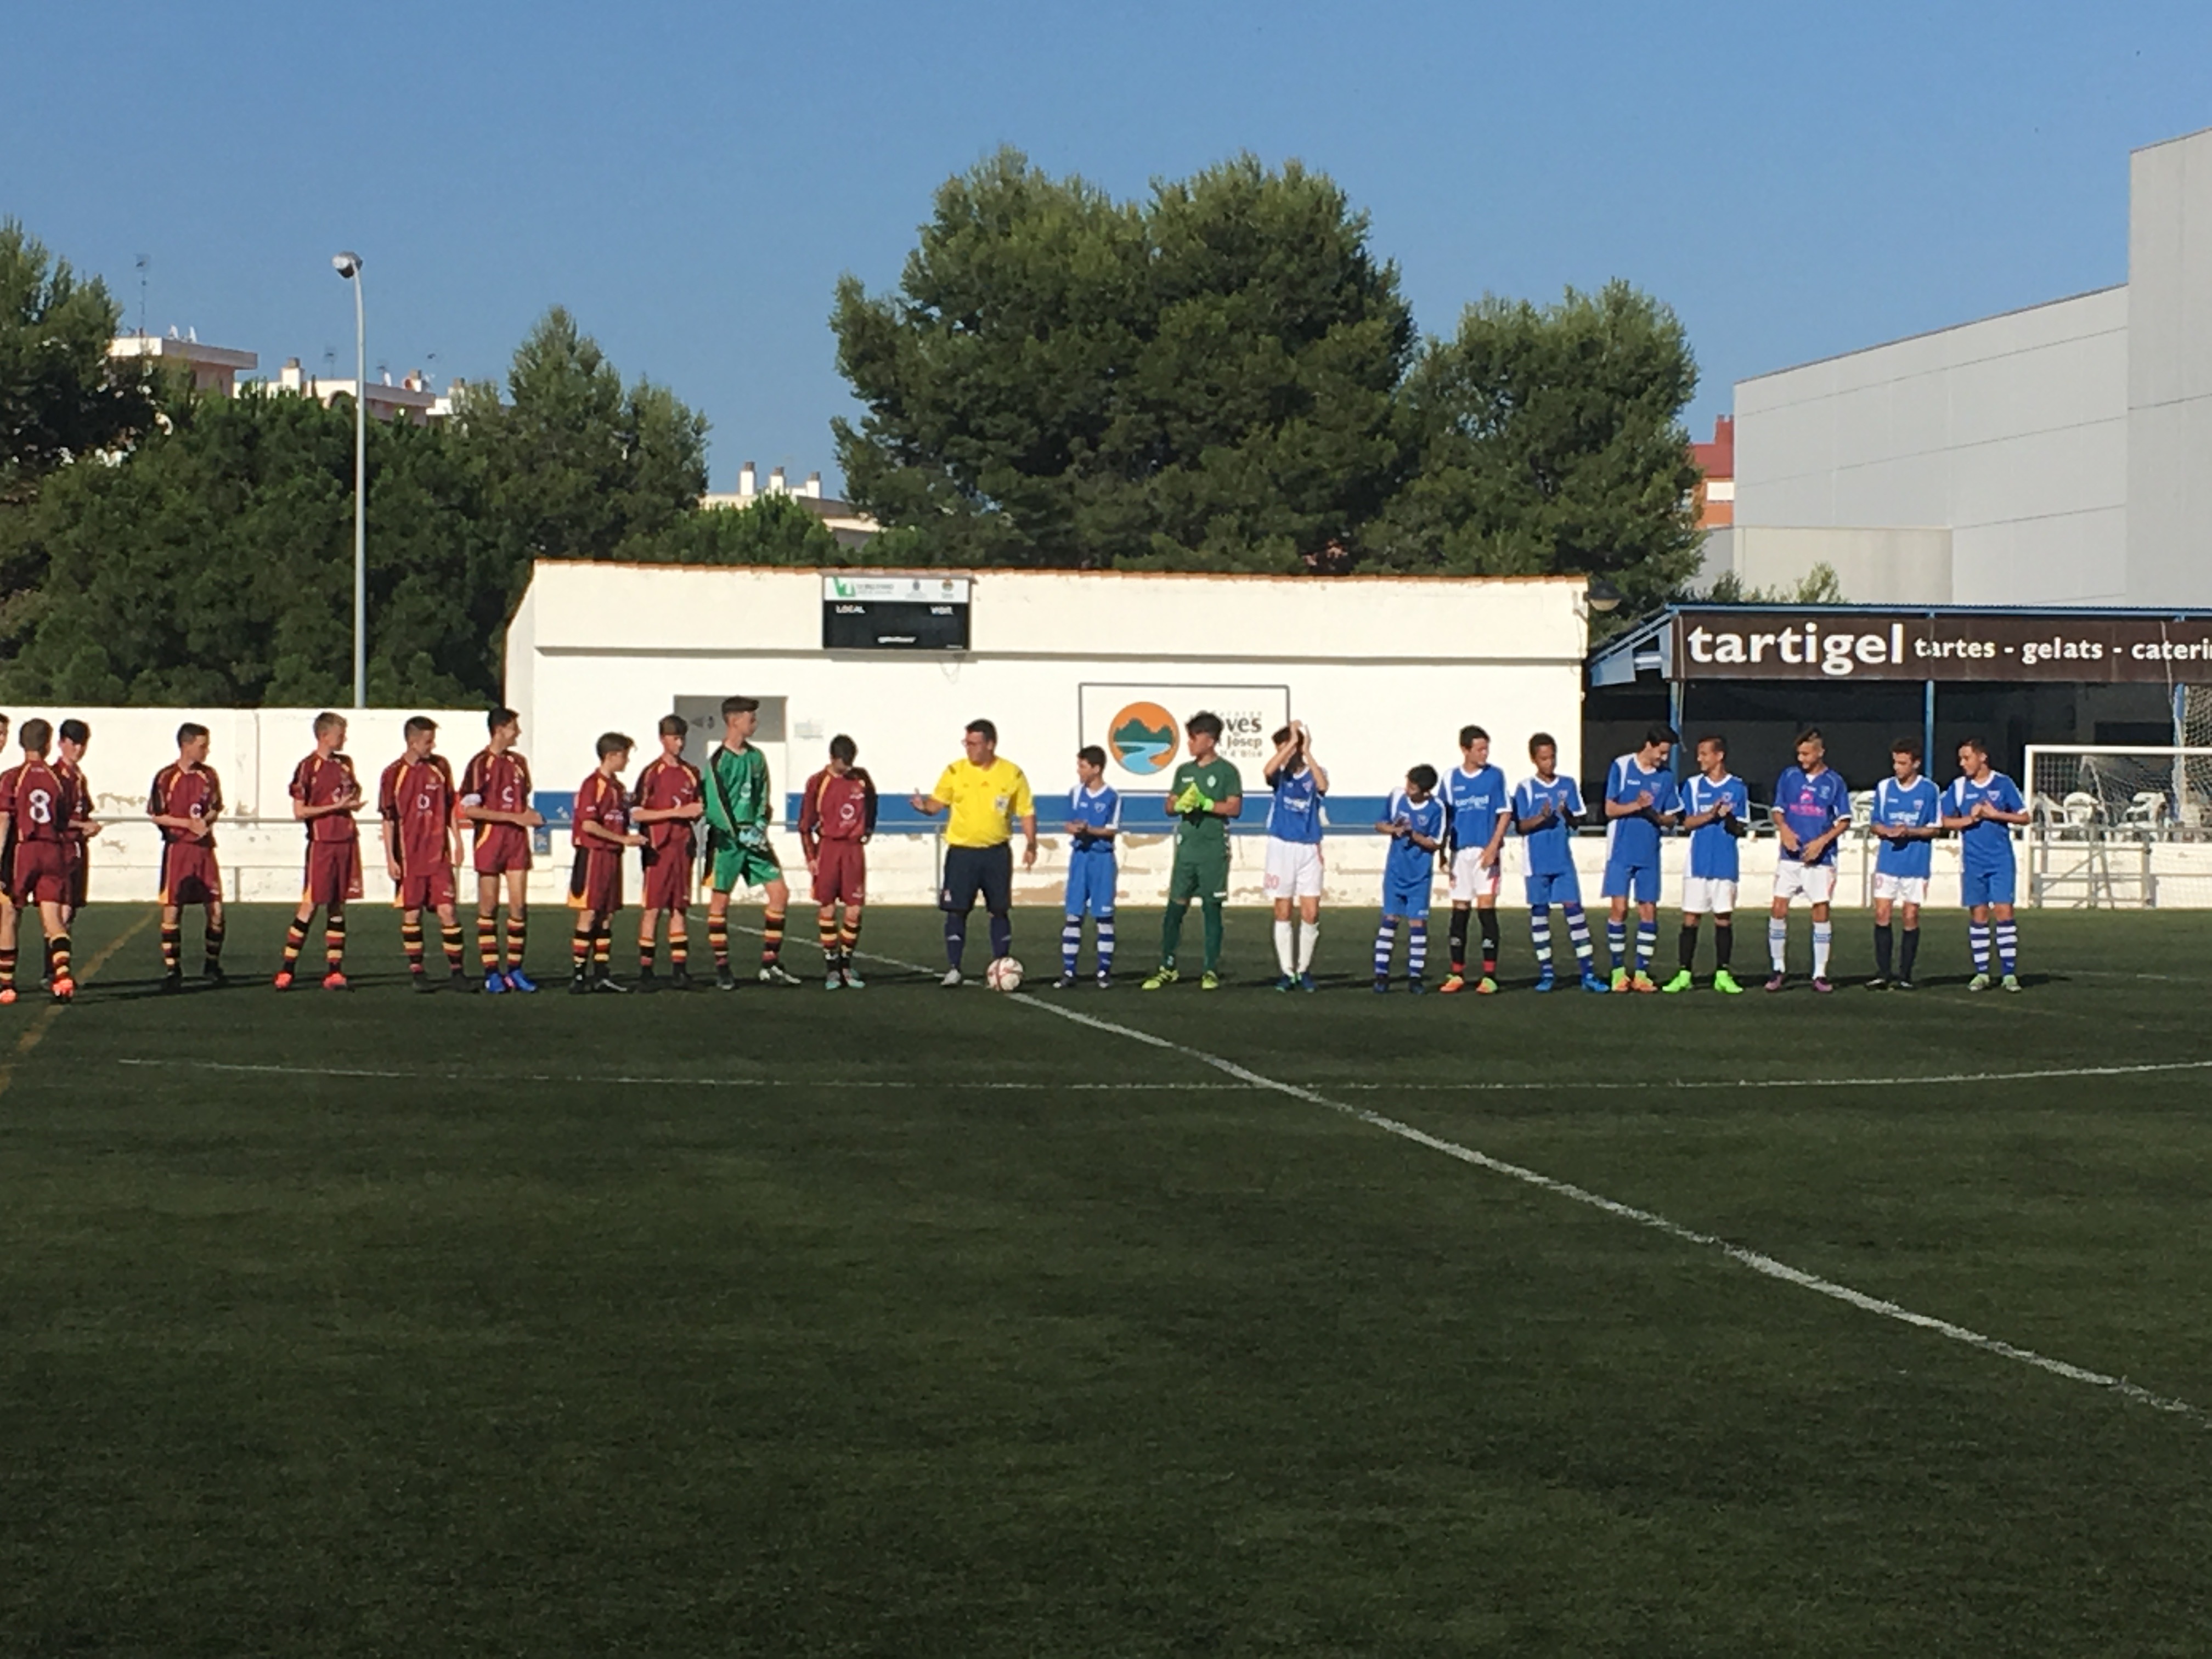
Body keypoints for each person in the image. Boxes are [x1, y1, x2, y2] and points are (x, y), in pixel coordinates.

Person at [909, 718, 1037, 988]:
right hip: (962, 853)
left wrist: (1031, 843)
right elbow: (937, 803)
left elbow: (1026, 811)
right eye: (966, 743)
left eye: (974, 743)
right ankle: (954, 968)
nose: (968, 748)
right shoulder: (955, 771)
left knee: (999, 910)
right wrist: (924, 807)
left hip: (996, 853)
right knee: (956, 911)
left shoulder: (1012, 774)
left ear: (990, 744)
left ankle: (1000, 964)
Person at [700, 696, 797, 990]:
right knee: (720, 902)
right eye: (750, 718)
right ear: (734, 721)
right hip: (727, 842)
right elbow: (715, 804)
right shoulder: (718, 761)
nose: (755, 723)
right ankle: (722, 968)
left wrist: (760, 825)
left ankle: (770, 964)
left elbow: (763, 795)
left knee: (779, 893)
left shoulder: (757, 758)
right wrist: (736, 832)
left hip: (754, 839)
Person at [1142, 712, 1244, 991]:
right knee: (1175, 909)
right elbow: (1169, 805)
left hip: (1213, 850)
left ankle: (1210, 970)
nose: (1189, 743)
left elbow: (1235, 808)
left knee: (1212, 909)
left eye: (1193, 737)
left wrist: (1207, 804)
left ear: (1209, 741)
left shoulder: (1226, 771)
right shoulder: (1184, 771)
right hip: (1187, 850)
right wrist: (1180, 805)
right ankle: (1167, 967)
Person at [379, 716, 469, 993]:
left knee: (448, 911)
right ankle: (418, 972)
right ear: (412, 742)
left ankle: (457, 972)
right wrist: (390, 858)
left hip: (438, 854)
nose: (433, 746)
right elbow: (389, 819)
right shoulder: (393, 774)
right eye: (428, 742)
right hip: (410, 857)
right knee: (412, 914)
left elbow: (450, 807)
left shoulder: (440, 767)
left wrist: (458, 841)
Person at [458, 707, 543, 995]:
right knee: (489, 907)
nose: (518, 733)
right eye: (513, 728)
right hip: (490, 841)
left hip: (516, 841)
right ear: (500, 729)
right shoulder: (479, 764)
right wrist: (513, 817)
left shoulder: (519, 763)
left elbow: (521, 804)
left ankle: (516, 970)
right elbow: (470, 810)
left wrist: (531, 816)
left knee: (519, 906)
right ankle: (492, 972)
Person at [276, 712, 363, 991]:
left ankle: (335, 971)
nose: (345, 739)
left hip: (346, 840)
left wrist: (351, 804)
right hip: (322, 843)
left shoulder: (345, 764)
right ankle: (287, 969)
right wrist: (336, 807)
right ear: (324, 736)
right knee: (311, 904)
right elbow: (300, 811)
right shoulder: (307, 767)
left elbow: (352, 793)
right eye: (340, 734)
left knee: (338, 905)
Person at [1514, 732, 1604, 994]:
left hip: (1562, 860)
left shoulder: (1568, 784)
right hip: (1536, 862)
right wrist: (1542, 818)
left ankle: (1588, 974)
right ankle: (1547, 974)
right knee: (1540, 915)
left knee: (1575, 913)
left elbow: (1578, 822)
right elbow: (1520, 826)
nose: (1549, 763)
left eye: (1552, 757)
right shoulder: (1525, 788)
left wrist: (1567, 814)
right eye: (1544, 758)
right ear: (1534, 759)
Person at [1940, 737, 2030, 992]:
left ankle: (2009, 974)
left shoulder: (2003, 783)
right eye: (1960, 759)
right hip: (1973, 861)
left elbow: (2025, 817)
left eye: (1966, 758)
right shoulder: (1959, 787)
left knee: (2004, 912)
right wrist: (1970, 820)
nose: (1962, 763)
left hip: (2000, 859)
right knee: (1978, 914)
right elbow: (1943, 820)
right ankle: (1982, 973)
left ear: (1982, 757)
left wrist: (1996, 815)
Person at [1767, 727, 1852, 994]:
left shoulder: (1834, 782)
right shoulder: (1789, 777)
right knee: (1778, 908)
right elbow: (1778, 811)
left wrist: (1821, 842)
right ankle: (1778, 968)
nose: (1802, 759)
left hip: (1821, 860)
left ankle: (1820, 973)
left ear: (1820, 752)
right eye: (1799, 754)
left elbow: (1844, 820)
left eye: (1806, 754)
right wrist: (1784, 829)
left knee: (1820, 910)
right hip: (1789, 858)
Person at [0, 719, 80, 1002]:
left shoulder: (12, 777)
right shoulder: (60, 779)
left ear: (21, 744)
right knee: (53, 919)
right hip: (53, 850)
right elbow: (64, 819)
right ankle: (63, 977)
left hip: (25, 850)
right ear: (48, 745)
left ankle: (6, 984)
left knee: (10, 913)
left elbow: (4, 820)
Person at [1663, 734, 1750, 994]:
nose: (1699, 759)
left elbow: (1741, 828)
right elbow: (1686, 823)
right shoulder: (1692, 785)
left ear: (1719, 756)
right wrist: (1711, 814)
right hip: (1698, 862)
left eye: (1704, 754)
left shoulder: (1737, 787)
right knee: (1691, 918)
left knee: (1723, 918)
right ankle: (1684, 973)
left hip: (1725, 862)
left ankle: (1722, 973)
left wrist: (1729, 817)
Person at [1601, 723, 1681, 993]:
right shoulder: (1622, 766)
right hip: (1621, 849)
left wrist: (1657, 816)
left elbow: (1672, 817)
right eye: (1661, 752)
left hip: (1649, 851)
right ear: (1649, 745)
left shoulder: (1666, 777)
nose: (1664, 758)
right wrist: (1638, 805)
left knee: (1648, 911)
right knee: (1620, 909)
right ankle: (1618, 972)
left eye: (1667, 753)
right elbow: (1610, 809)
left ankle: (1642, 974)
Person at [147, 722, 226, 991]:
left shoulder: (209, 775)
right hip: (178, 850)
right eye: (202, 746)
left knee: (216, 910)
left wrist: (206, 821)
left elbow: (215, 807)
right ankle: (173, 971)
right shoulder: (166, 777)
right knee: (173, 909)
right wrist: (186, 824)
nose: (206, 751)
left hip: (204, 849)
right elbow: (157, 815)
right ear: (186, 745)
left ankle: (212, 965)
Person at [630, 714, 705, 992]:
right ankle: (646, 972)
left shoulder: (691, 772)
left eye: (682, 738)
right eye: (675, 738)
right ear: (663, 739)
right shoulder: (651, 773)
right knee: (652, 909)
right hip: (658, 849)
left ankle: (680, 971)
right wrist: (675, 813)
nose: (680, 744)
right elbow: (637, 813)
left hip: (682, 848)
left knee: (679, 908)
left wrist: (694, 812)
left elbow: (698, 807)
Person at [798, 734, 877, 990]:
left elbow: (872, 802)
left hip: (853, 850)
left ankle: (846, 963)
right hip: (828, 849)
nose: (848, 768)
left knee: (855, 910)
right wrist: (811, 857)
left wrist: (868, 829)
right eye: (844, 763)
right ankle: (832, 967)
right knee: (828, 908)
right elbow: (805, 825)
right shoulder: (818, 782)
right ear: (832, 758)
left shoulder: (861, 778)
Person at [568, 733, 644, 993]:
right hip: (593, 856)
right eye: (625, 756)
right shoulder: (593, 785)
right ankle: (579, 975)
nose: (627, 761)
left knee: (608, 915)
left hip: (612, 856)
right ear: (611, 756)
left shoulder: (618, 788)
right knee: (589, 912)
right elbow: (589, 825)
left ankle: (601, 974)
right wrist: (623, 839)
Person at [1439, 725, 1509, 995]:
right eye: (1480, 749)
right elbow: (1444, 817)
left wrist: (1493, 847)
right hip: (1460, 852)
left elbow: (1504, 813)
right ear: (1465, 750)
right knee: (1460, 910)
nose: (1484, 754)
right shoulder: (1450, 778)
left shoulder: (1495, 776)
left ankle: (1489, 976)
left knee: (1486, 909)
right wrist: (1442, 851)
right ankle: (1457, 973)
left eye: (1486, 749)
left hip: (1484, 851)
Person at [1867, 737, 1942, 990]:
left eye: (1902, 763)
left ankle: (1905, 975)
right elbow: (1875, 823)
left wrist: (1909, 831)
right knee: (1882, 913)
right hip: (1888, 862)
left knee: (1910, 915)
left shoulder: (1929, 790)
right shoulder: (1884, 787)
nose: (1897, 768)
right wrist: (1887, 831)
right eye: (1895, 763)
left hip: (1916, 863)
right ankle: (1883, 973)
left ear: (1916, 764)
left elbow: (1935, 828)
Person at [1261, 721, 1327, 991]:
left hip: (1309, 847)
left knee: (1311, 912)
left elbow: (1323, 785)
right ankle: (1287, 972)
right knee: (1283, 909)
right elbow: (1267, 771)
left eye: (1289, 749)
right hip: (1281, 847)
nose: (1285, 755)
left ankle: (1304, 970)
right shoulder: (1280, 776)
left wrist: (1306, 750)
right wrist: (1288, 745)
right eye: (1281, 750)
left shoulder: (1314, 773)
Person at [1373, 764, 1446, 993]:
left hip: (1419, 876)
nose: (1407, 789)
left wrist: (1414, 835)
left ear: (1426, 791)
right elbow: (1379, 824)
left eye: (1413, 787)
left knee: (1418, 924)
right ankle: (1381, 975)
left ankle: (1415, 977)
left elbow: (1436, 843)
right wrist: (1393, 830)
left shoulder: (1437, 808)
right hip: (1395, 872)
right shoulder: (1397, 797)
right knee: (1390, 920)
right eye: (1408, 784)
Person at [1056, 744, 1119, 990]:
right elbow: (1068, 823)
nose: (1079, 771)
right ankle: (1069, 971)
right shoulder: (1075, 793)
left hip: (1102, 860)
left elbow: (1111, 831)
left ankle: (1103, 972)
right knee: (1073, 915)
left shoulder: (1112, 796)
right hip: (1080, 858)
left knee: (1104, 917)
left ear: (1096, 769)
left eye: (1083, 766)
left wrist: (1090, 830)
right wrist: (1073, 828)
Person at [55, 717, 94, 928]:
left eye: (83, 744)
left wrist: (88, 826)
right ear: (62, 743)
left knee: (71, 912)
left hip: (78, 847)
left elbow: (83, 813)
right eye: (74, 743)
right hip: (62, 848)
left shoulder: (79, 777)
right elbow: (54, 817)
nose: (79, 749)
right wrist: (82, 826)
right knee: (62, 908)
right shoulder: (55, 776)